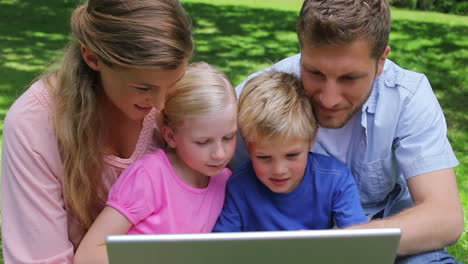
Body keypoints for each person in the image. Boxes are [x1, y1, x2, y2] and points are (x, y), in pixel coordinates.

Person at [232, 0, 464, 263]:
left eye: (349, 78)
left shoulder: (406, 97)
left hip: (386, 242)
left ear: (381, 62)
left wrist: (341, 246)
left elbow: (444, 218)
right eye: (315, 73)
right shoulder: (261, 98)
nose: (329, 99)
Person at [1, 0, 193, 262]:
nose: (159, 105)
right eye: (142, 88)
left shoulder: (181, 104)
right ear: (92, 58)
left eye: (173, 83)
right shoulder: (34, 124)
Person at [73, 62, 238, 263]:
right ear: (171, 136)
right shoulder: (149, 176)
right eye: (203, 142)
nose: (220, 154)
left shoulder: (225, 180)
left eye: (229, 138)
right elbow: (89, 254)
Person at [214, 71, 367, 232]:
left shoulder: (336, 179)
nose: (279, 170)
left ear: (311, 139)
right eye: (264, 157)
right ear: (247, 145)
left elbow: (357, 240)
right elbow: (221, 246)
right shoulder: (239, 184)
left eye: (292, 155)